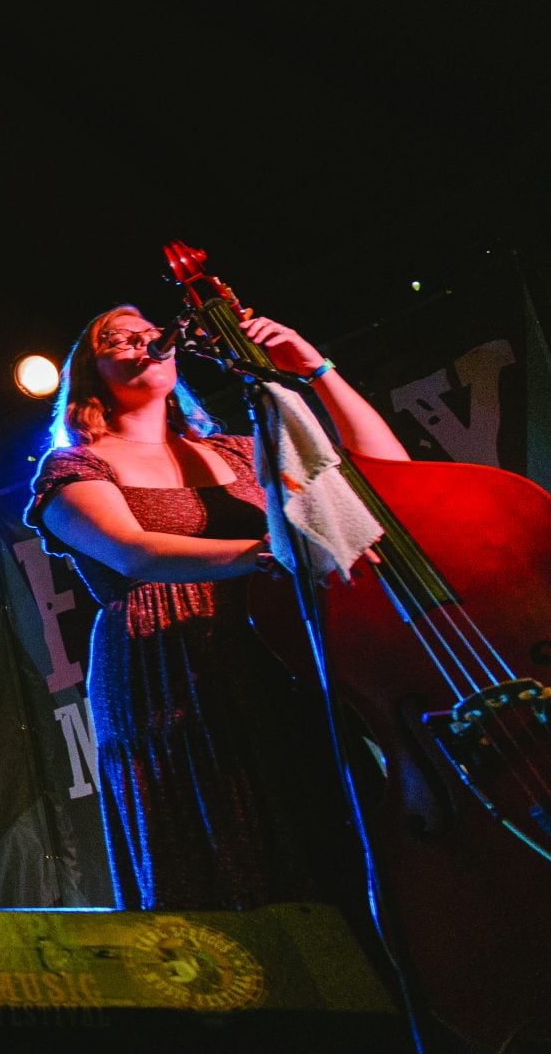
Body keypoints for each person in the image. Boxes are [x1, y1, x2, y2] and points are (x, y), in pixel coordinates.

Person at [26, 305, 409, 913]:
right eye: (117, 339)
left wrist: (315, 369)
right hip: (167, 657)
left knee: (324, 817)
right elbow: (134, 553)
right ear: (90, 374)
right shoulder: (75, 466)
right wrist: (267, 554)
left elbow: (387, 470)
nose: (143, 341)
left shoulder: (237, 451)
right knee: (217, 822)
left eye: (148, 332)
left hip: (275, 645)